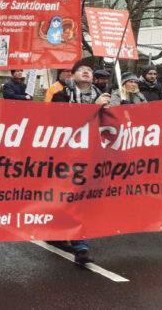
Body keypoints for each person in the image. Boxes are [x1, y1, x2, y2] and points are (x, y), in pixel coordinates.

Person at [50, 58, 112, 264]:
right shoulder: (60, 95)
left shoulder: (104, 97)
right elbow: (62, 121)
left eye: (89, 70)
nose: (86, 72)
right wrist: (93, 108)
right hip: (66, 154)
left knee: (82, 198)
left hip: (93, 155)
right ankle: (80, 244)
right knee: (71, 195)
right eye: (81, 70)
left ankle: (69, 236)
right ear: (72, 74)